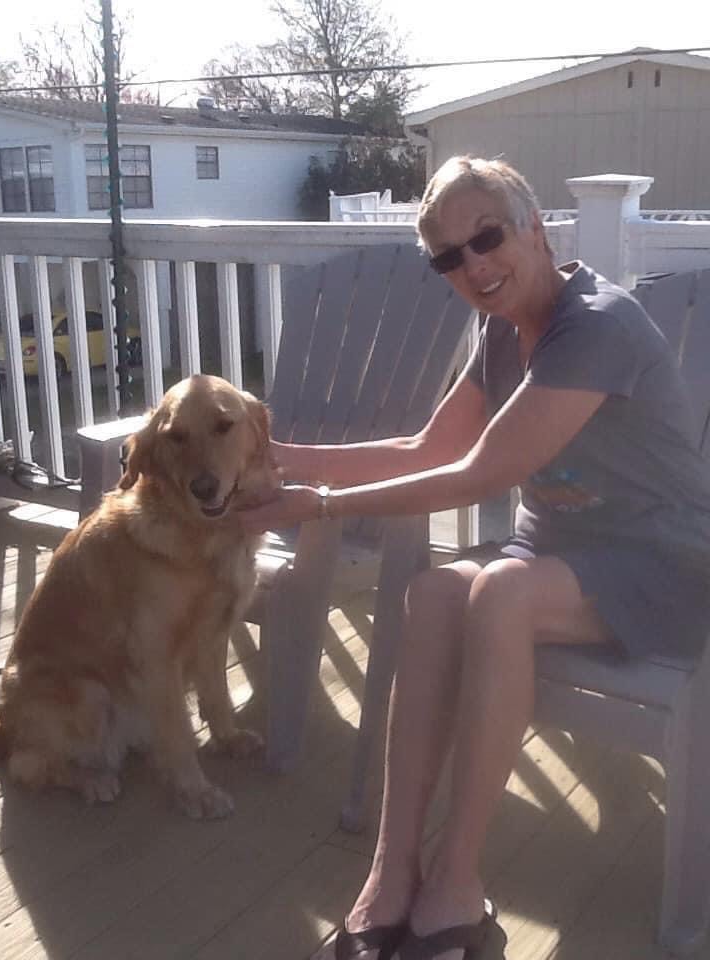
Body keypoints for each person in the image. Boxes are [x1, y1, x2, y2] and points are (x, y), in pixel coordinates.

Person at [239, 156, 710, 960]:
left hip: (663, 566)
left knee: (500, 593)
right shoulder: (502, 331)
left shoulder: (597, 325)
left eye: (486, 237)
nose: (473, 266)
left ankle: (456, 888)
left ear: (535, 228)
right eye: (448, 258)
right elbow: (428, 448)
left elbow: (478, 475)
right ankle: (390, 876)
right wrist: (284, 457)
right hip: (555, 554)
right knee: (431, 595)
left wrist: (316, 505)